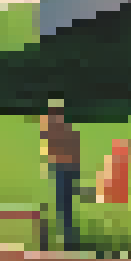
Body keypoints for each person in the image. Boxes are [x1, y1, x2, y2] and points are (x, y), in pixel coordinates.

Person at [39, 105, 83, 252]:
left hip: (64, 170)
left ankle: (65, 242)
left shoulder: (65, 131)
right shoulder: (63, 130)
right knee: (61, 207)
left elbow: (71, 150)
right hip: (62, 169)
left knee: (63, 207)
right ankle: (56, 241)